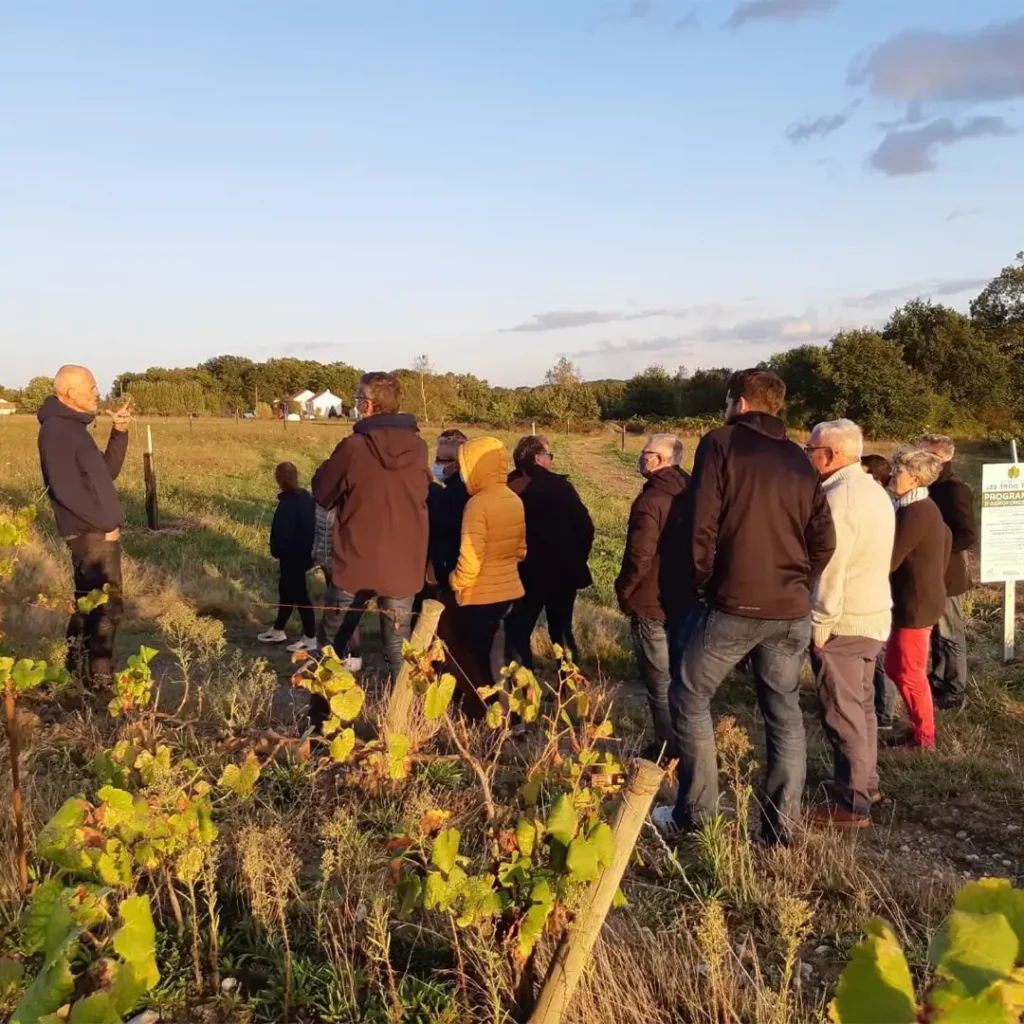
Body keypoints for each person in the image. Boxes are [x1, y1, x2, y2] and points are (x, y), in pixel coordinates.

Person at [651, 369, 836, 845]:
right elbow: (824, 538)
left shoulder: (721, 442)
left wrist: (704, 583)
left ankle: (697, 815)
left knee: (689, 695)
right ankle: (781, 828)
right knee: (783, 709)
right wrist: (797, 580)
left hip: (734, 601)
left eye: (727, 400)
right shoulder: (799, 457)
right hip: (791, 608)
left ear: (740, 402)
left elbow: (703, 523)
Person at [310, 372, 431, 727]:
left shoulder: (353, 447)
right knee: (397, 649)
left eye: (355, 399)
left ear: (366, 405)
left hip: (356, 563)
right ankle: (403, 726)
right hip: (403, 565)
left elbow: (321, 491)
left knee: (331, 645)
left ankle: (321, 722)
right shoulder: (420, 446)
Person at [805, 421, 895, 828]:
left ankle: (853, 803)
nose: (806, 455)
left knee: (842, 713)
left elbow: (831, 567)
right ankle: (866, 782)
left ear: (831, 455)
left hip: (844, 619)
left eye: (811, 448)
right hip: (873, 615)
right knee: (862, 708)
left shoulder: (840, 498)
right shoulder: (873, 490)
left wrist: (821, 620)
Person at [37, 366, 132, 687]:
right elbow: (63, 488)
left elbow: (106, 473)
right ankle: (101, 683)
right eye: (92, 387)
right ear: (71, 393)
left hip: (95, 531)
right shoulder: (56, 431)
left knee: (88, 606)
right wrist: (107, 524)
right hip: (91, 534)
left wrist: (118, 432)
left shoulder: (75, 429)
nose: (97, 392)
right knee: (107, 608)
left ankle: (73, 671)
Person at [614, 433, 691, 759]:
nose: (640, 458)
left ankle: (667, 744)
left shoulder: (650, 500)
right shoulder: (694, 490)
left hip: (651, 599)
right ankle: (688, 738)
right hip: (685, 597)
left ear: (659, 460)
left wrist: (625, 589)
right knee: (684, 677)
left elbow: (639, 555)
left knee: (658, 680)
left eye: (645, 453)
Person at [448, 437, 526, 712]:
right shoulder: (513, 499)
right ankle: (516, 716)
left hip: (480, 596)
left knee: (481, 663)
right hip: (512, 591)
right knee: (505, 660)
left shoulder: (478, 504)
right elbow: (521, 550)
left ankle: (490, 718)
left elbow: (470, 559)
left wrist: (455, 582)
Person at [505, 435, 594, 668]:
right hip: (562, 573)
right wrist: (577, 559)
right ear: (538, 459)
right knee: (562, 631)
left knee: (517, 632)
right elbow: (585, 527)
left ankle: (524, 691)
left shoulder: (508, 488)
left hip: (524, 573)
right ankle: (569, 689)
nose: (551, 461)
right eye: (549, 456)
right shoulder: (560, 486)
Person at [885, 447, 951, 751]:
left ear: (914, 478)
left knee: (910, 673)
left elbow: (891, 559)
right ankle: (917, 726)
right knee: (894, 667)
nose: (892, 475)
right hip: (912, 600)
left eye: (898, 470)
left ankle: (925, 739)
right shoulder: (914, 506)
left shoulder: (917, 512)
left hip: (916, 605)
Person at [919, 434, 978, 710]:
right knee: (935, 633)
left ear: (942, 459)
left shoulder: (954, 490)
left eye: (926, 455)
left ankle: (955, 690)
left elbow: (967, 535)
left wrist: (939, 552)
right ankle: (938, 680)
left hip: (948, 575)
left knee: (950, 634)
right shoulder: (929, 486)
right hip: (930, 573)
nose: (920, 460)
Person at [258, 463, 318, 653]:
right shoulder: (307, 498)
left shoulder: (287, 504)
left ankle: (310, 636)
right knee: (287, 590)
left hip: (292, 555)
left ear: (278, 480)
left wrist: (276, 551)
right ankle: (278, 629)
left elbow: (282, 535)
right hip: (307, 553)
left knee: (299, 594)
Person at [861, 454, 900, 730]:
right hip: (877, 584)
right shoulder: (884, 502)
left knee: (879, 653)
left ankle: (884, 713)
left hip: (881, 586)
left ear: (874, 477)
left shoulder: (881, 504)